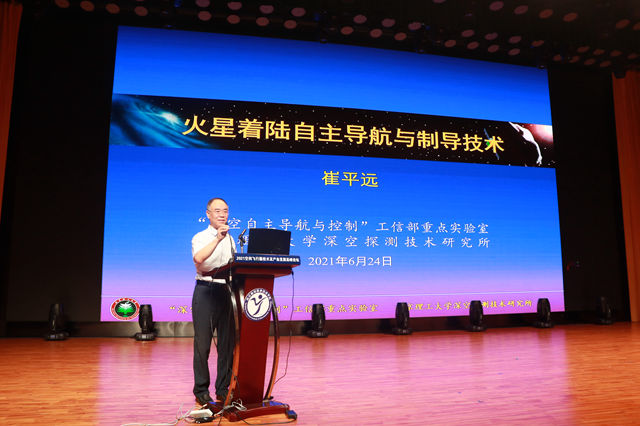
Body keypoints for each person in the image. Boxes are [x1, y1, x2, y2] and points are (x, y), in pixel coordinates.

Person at [191, 197, 236, 406]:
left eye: (225, 211)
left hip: (226, 291)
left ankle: (223, 388)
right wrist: (217, 239)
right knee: (203, 345)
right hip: (205, 291)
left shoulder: (231, 239)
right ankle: (201, 390)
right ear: (208, 214)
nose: (222, 214)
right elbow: (199, 259)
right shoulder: (200, 237)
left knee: (227, 344)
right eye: (217, 211)